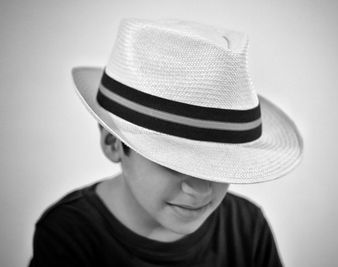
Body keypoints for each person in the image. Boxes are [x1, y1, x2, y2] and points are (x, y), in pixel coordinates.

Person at [29, 18, 303, 266]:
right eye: (173, 162)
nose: (200, 189)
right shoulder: (70, 232)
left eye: (220, 165)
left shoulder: (246, 227)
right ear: (113, 143)